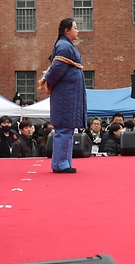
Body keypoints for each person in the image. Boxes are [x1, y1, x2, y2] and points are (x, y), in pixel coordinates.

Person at [42, 18, 88, 174]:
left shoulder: (66, 46)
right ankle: (60, 164)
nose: (78, 30)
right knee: (64, 129)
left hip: (68, 94)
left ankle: (64, 162)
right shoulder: (64, 46)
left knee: (67, 129)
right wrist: (46, 79)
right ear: (66, 30)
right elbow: (56, 69)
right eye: (75, 28)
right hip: (65, 96)